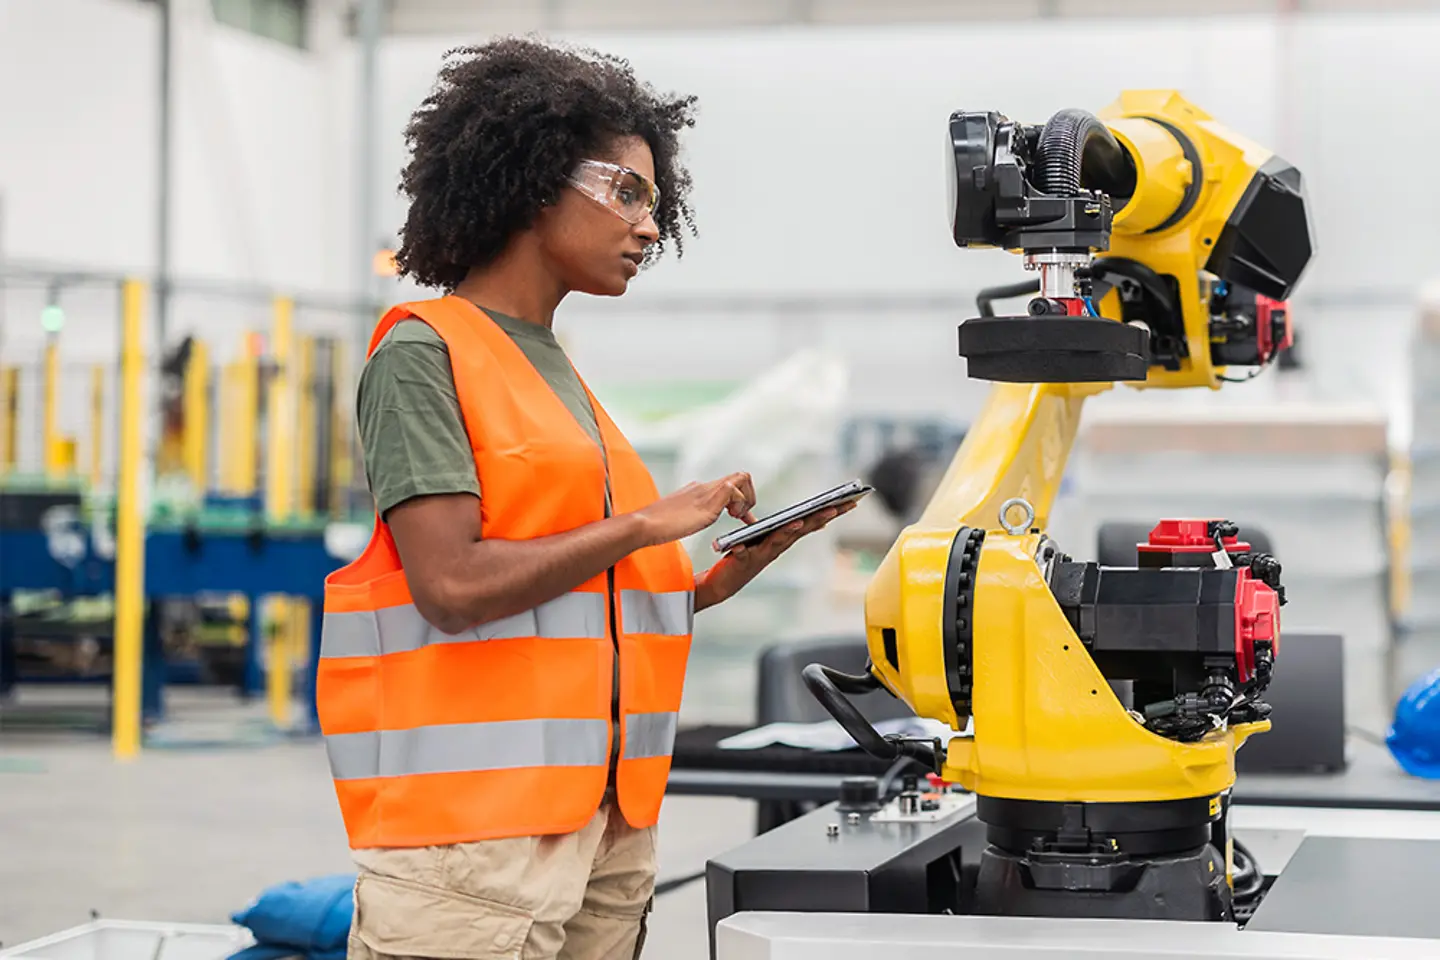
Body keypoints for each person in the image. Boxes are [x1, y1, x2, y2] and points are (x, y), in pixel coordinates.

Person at [315, 37, 851, 960]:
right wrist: (644, 523)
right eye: (627, 192)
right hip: (473, 848)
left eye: (656, 202)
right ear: (532, 183)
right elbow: (452, 587)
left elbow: (576, 606)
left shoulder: (555, 370)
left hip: (602, 824)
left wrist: (711, 581)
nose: (650, 228)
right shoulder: (422, 354)